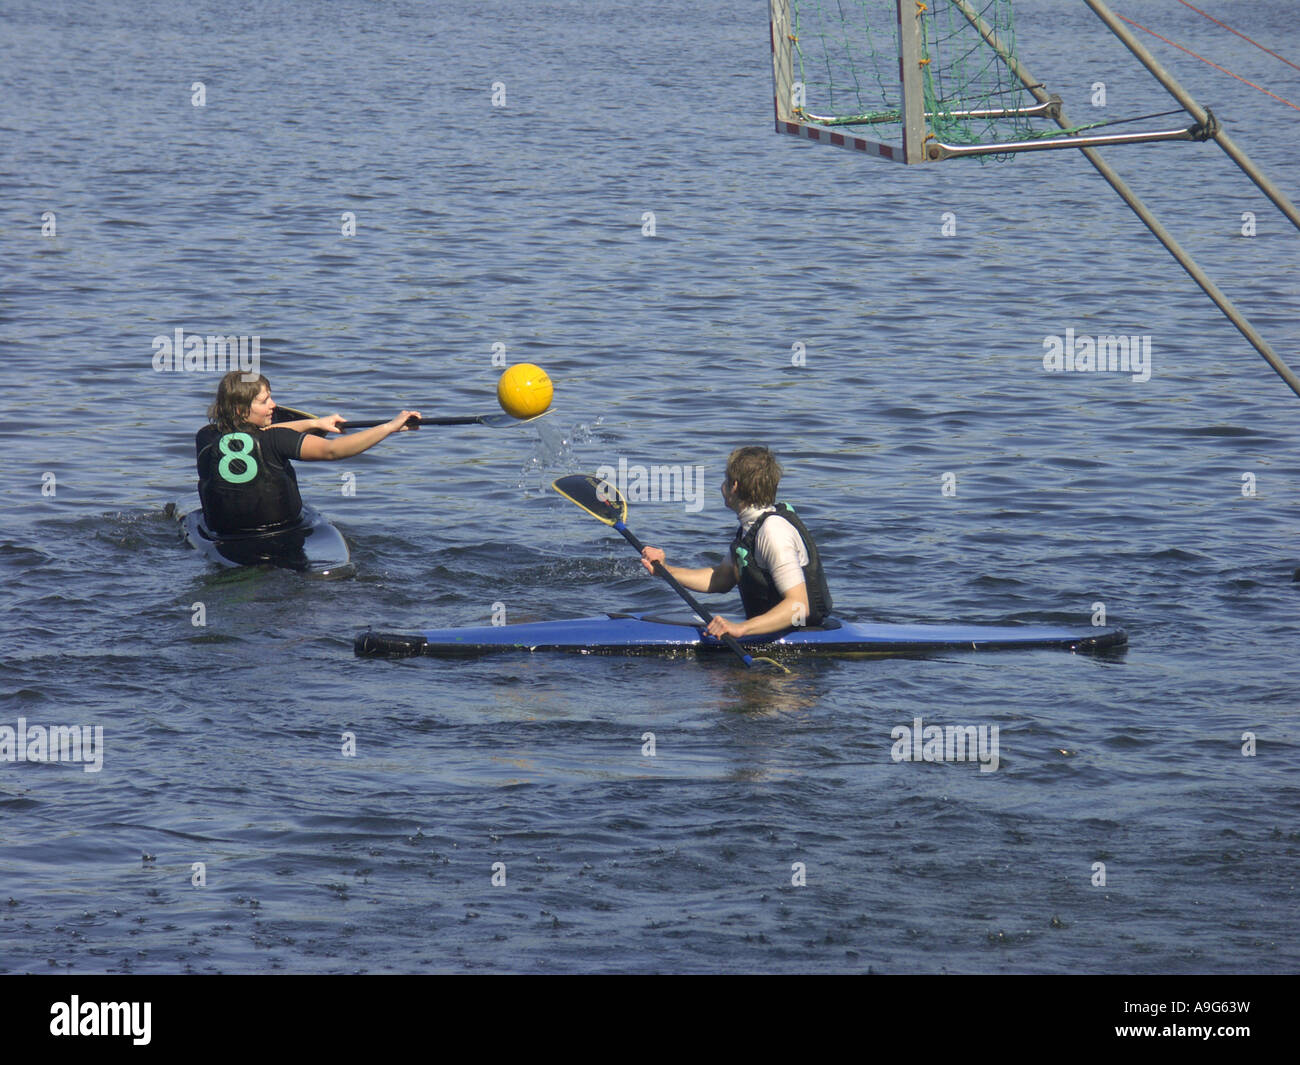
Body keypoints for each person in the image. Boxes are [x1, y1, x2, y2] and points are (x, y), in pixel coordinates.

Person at [639, 446, 833, 638]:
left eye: (726, 479)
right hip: (776, 634)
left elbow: (799, 606)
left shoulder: (773, 532)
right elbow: (720, 579)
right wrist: (666, 570)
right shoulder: (751, 528)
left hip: (802, 643)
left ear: (734, 486)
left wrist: (741, 628)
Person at [195, 371, 418, 533]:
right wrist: (390, 427)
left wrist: (316, 424)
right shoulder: (276, 440)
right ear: (241, 410)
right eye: (265, 401)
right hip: (282, 530)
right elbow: (333, 451)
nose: (274, 405)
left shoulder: (205, 437)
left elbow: (256, 435)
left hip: (225, 534)